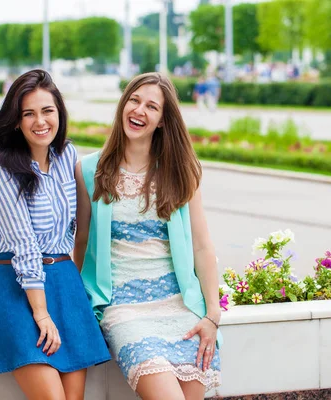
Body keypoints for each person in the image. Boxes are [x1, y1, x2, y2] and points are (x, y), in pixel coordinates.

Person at [0, 69, 110, 400]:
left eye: (47, 111)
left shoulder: (66, 156)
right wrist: (40, 313)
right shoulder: (3, 168)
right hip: (16, 288)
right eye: (28, 113)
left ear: (59, 113)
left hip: (65, 284)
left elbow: (81, 226)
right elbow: (23, 246)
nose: (40, 121)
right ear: (16, 120)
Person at [74, 72, 223, 400]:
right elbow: (81, 240)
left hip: (179, 305)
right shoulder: (89, 170)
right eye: (134, 100)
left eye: (152, 107)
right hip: (123, 308)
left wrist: (212, 314)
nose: (139, 110)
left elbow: (201, 244)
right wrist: (74, 302)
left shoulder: (181, 172)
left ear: (162, 121)